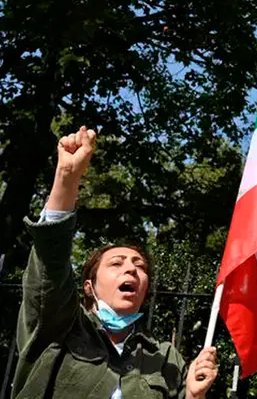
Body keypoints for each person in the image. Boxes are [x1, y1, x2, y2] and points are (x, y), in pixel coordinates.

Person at [12, 126, 220, 398]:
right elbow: (50, 266)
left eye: (140, 266)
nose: (131, 268)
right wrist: (67, 177)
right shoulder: (62, 326)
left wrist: (194, 395)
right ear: (89, 286)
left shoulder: (168, 359)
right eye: (116, 263)